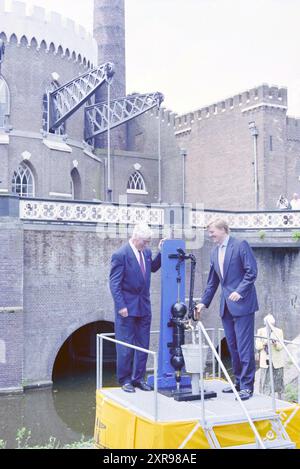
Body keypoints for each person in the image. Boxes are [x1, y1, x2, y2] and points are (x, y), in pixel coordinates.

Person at [195, 219, 259, 400]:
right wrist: (203, 303)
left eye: (212, 232)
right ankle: (238, 382)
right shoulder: (214, 252)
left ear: (223, 230)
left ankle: (247, 386)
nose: (210, 235)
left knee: (245, 346)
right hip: (226, 307)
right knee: (233, 346)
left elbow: (251, 272)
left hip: (243, 304)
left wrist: (240, 292)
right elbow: (213, 282)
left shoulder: (240, 245)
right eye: (209, 233)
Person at [109, 223, 162, 393]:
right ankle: (125, 380)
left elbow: (152, 268)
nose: (146, 245)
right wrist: (121, 306)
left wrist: (161, 252)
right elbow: (114, 283)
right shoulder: (120, 254)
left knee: (143, 343)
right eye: (145, 241)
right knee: (125, 345)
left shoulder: (145, 252)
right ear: (136, 237)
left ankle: (138, 378)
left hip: (144, 306)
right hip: (127, 307)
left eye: (148, 242)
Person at [255, 314, 284, 400]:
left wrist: (275, 344)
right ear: (265, 324)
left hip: (277, 360)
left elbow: (280, 346)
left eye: (273, 323)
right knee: (265, 381)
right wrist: (264, 343)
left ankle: (280, 399)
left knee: (279, 381)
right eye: (269, 324)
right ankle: (264, 399)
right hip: (265, 360)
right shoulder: (260, 331)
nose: (271, 325)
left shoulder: (279, 331)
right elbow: (257, 345)